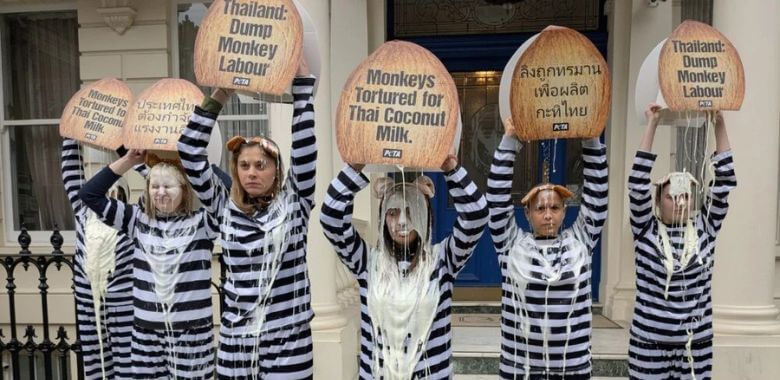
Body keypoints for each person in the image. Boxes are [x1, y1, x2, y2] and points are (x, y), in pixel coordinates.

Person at [177, 61, 317, 379]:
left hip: (289, 344)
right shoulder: (223, 208)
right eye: (244, 165)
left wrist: (303, 88)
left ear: (276, 171)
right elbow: (188, 150)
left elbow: (305, 150)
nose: (251, 172)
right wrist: (222, 93)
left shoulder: (295, 204)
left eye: (261, 165)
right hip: (235, 345)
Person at [319, 156, 489, 379]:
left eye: (411, 211)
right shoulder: (367, 263)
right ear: (382, 218)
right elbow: (330, 218)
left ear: (425, 216)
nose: (401, 222)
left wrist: (450, 166)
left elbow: (476, 215)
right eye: (392, 212)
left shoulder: (443, 261)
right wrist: (355, 164)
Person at [79, 149, 217, 379]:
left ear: (184, 189)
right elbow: (90, 195)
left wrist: (193, 161)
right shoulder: (137, 220)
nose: (161, 193)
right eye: (155, 186)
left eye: (168, 186)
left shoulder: (204, 222)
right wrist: (128, 160)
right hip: (145, 335)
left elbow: (226, 193)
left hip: (191, 335)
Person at [487, 124, 608, 379]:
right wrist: (509, 141)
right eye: (540, 209)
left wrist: (592, 142)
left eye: (554, 207)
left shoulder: (581, 242)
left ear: (564, 212)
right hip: (520, 370)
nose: (548, 215)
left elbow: (597, 199)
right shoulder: (512, 246)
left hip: (572, 369)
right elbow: (497, 204)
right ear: (527, 214)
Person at [627, 104, 736, 380]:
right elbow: (637, 185)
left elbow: (724, 182)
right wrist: (652, 122)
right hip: (649, 346)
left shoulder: (705, 228)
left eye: (685, 195)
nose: (679, 202)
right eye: (671, 195)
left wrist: (719, 123)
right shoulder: (645, 230)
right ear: (657, 201)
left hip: (694, 347)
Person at [63, 139, 137, 379]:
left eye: (115, 193)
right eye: (104, 192)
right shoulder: (83, 211)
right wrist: (71, 136)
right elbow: (71, 174)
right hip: (88, 303)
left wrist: (123, 146)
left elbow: (153, 173)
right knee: (96, 368)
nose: (108, 197)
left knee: (128, 367)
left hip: (124, 305)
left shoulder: (132, 219)